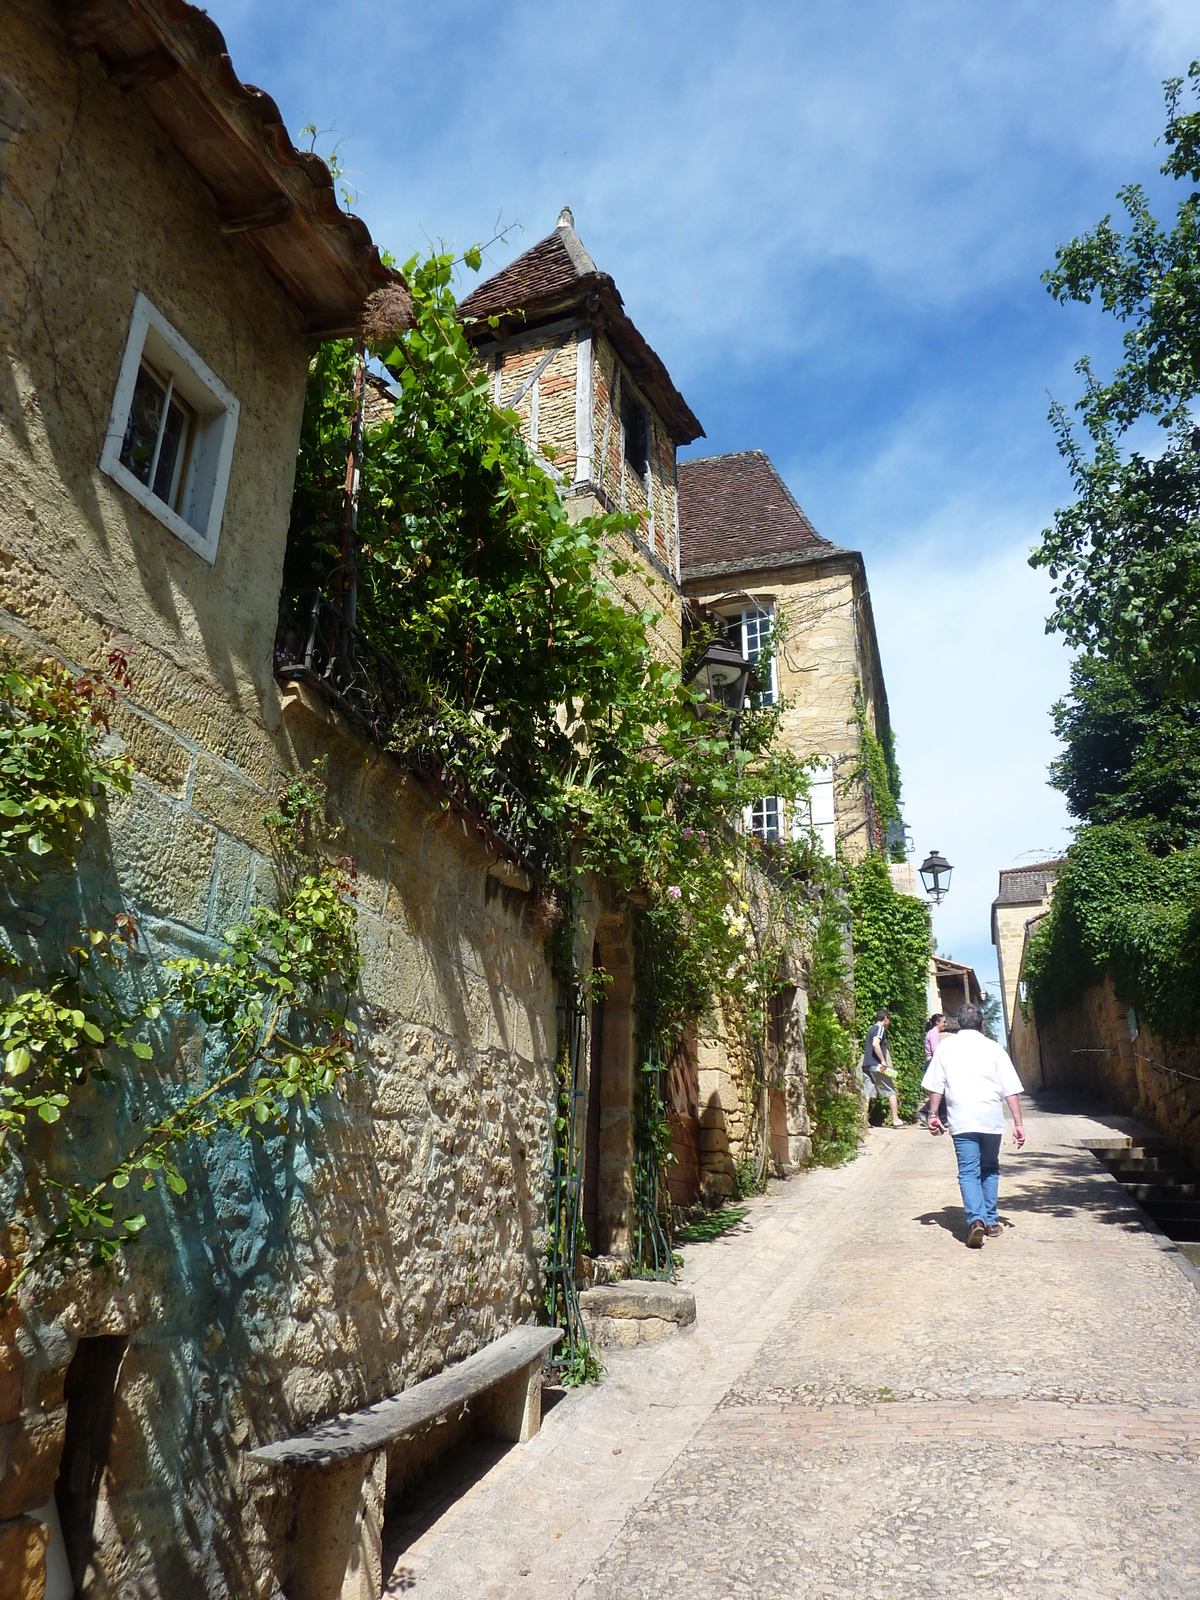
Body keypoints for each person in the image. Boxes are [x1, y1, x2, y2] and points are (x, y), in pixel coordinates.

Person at [924, 1001, 1026, 1249]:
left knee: (969, 1172)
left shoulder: (946, 1048)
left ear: (958, 1024)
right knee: (990, 1168)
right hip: (990, 1119)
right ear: (982, 1024)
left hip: (963, 1120)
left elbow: (936, 1084)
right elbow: (1010, 1090)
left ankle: (975, 1221)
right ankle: (991, 1222)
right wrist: (1018, 1123)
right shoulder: (994, 1049)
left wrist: (933, 1113)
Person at [861, 1007, 903, 1128]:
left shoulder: (870, 1029)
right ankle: (896, 1119)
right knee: (891, 1090)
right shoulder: (880, 1028)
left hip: (867, 1065)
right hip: (877, 1065)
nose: (888, 1023)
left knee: (867, 1092)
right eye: (888, 1020)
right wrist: (883, 1061)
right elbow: (875, 1044)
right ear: (885, 1018)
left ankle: (863, 1121)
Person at [918, 1013, 948, 1127]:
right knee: (940, 1091)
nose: (945, 1024)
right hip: (933, 1063)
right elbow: (936, 1051)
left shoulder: (934, 1033)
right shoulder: (934, 1033)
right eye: (943, 1022)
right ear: (937, 1022)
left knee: (941, 1091)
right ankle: (926, 1112)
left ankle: (940, 1117)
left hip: (932, 1062)